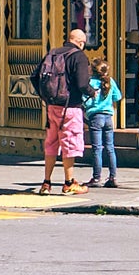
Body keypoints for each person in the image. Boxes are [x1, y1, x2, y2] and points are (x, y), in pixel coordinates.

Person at [34, 28, 93, 195]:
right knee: (69, 143)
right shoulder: (78, 56)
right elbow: (82, 84)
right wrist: (91, 92)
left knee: (51, 144)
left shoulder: (53, 53)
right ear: (81, 43)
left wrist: (46, 97)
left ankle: (46, 183)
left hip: (52, 106)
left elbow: (34, 77)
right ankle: (68, 183)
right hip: (70, 107)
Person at [82, 58, 122, 189]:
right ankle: (113, 176)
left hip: (95, 117)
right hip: (108, 117)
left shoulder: (90, 83)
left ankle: (96, 177)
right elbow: (118, 97)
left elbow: (84, 100)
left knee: (97, 148)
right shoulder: (110, 82)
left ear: (92, 70)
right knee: (110, 147)